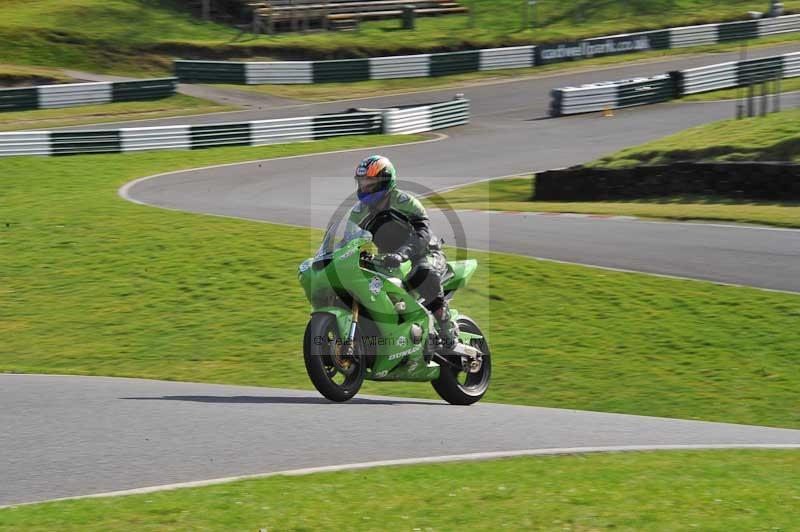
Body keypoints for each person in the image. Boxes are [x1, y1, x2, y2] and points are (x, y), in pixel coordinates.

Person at [348, 155, 458, 347]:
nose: (365, 186)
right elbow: (347, 239)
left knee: (422, 273)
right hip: (388, 260)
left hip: (424, 253)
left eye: (370, 181)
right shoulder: (359, 212)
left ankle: (446, 326)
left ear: (384, 181)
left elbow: (422, 232)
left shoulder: (405, 202)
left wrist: (402, 253)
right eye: (362, 181)